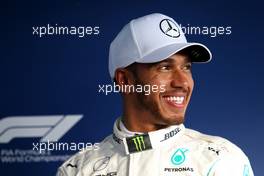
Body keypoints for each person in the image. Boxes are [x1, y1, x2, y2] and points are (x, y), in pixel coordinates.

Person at [56, 13, 254, 176]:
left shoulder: (222, 161)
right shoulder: (78, 169)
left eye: (186, 67)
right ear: (124, 80)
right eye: (165, 67)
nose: (183, 82)